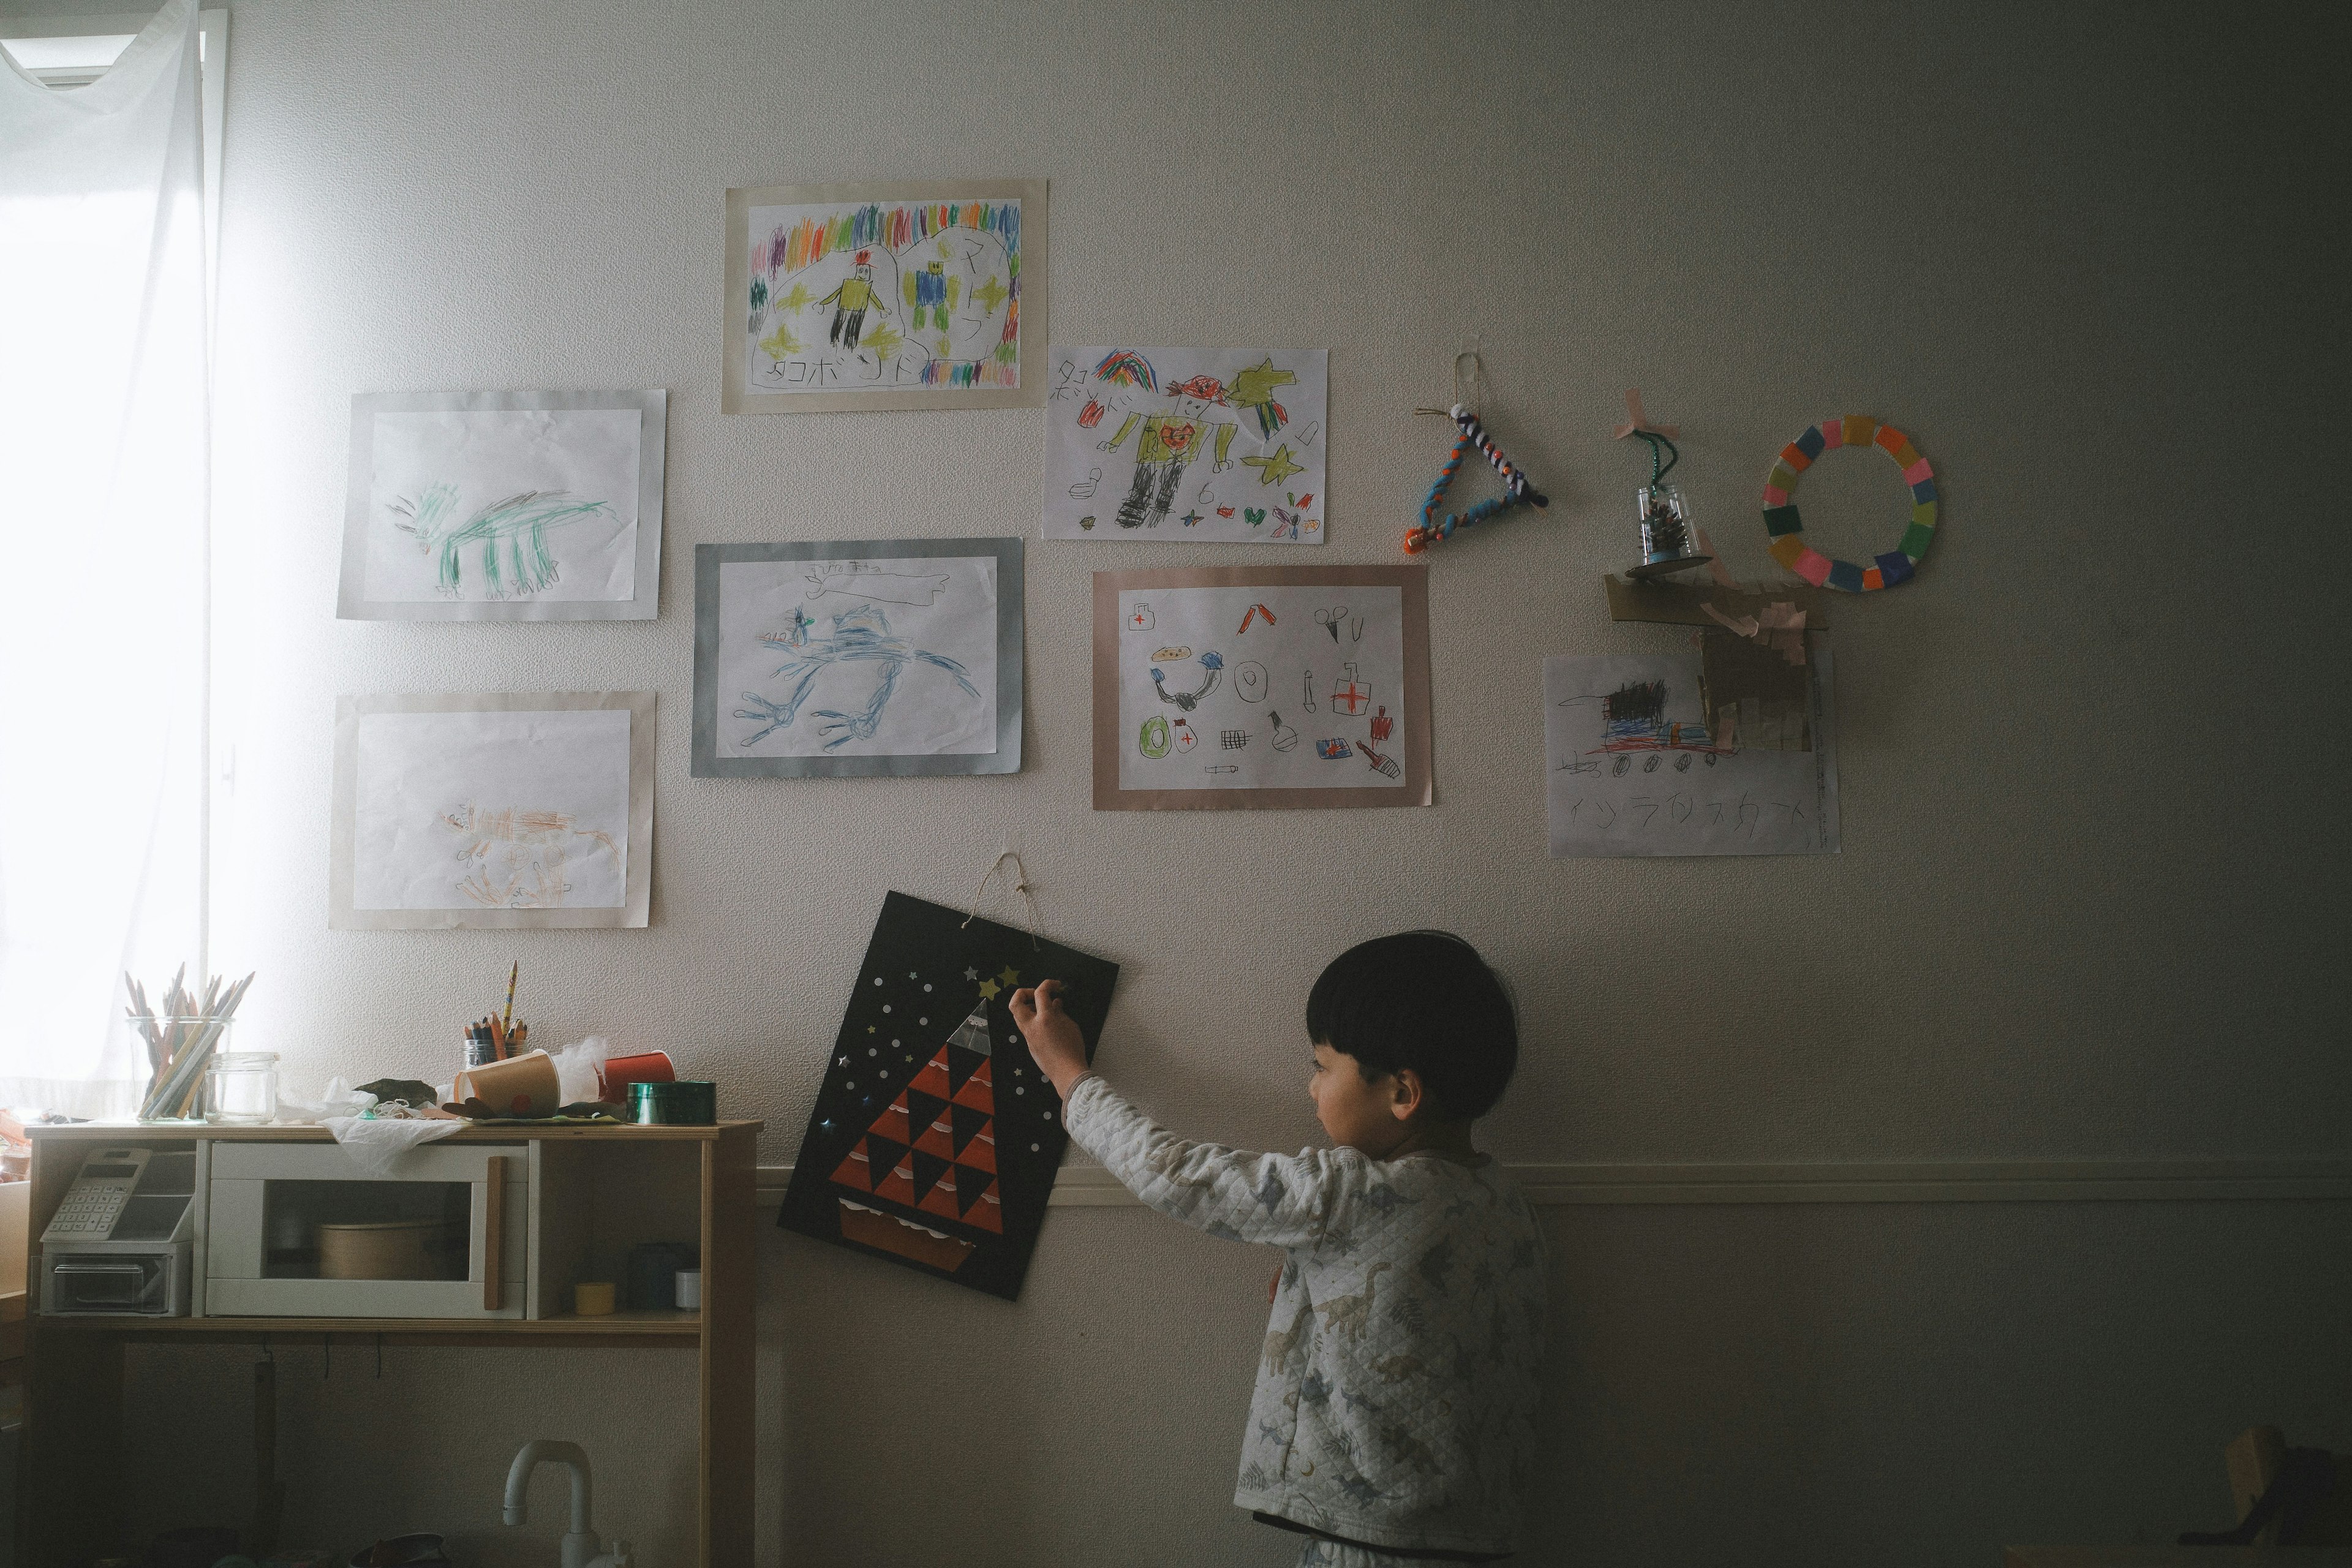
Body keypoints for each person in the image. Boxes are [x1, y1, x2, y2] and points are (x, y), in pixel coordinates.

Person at [1010, 931, 1544, 1566]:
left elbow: (1178, 1174)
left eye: (1322, 1066)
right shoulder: (1505, 1203)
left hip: (1369, 1540)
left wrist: (1069, 1074)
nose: (1312, 1087)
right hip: (1473, 1535)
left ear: (1403, 1092)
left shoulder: (1349, 1191)